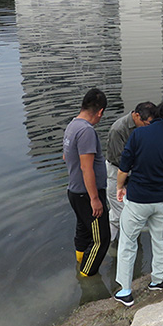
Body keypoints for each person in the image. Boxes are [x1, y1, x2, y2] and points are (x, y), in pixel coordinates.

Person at [113, 96, 163, 307]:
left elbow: (124, 167)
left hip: (138, 199)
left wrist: (120, 187)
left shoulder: (140, 134)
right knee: (161, 239)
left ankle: (125, 291)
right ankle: (159, 280)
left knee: (128, 242)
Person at [63, 88, 110, 277]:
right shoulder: (86, 131)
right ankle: (87, 276)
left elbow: (67, 157)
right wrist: (95, 199)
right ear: (100, 112)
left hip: (74, 191)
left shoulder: (72, 126)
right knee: (102, 239)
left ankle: (80, 262)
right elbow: (86, 167)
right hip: (87, 194)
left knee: (83, 231)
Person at [105, 102, 156, 242]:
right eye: (147, 124)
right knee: (119, 213)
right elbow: (120, 160)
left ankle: (118, 242)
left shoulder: (144, 128)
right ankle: (112, 246)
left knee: (127, 212)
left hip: (134, 172)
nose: (149, 128)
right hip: (117, 172)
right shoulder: (118, 129)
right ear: (137, 116)